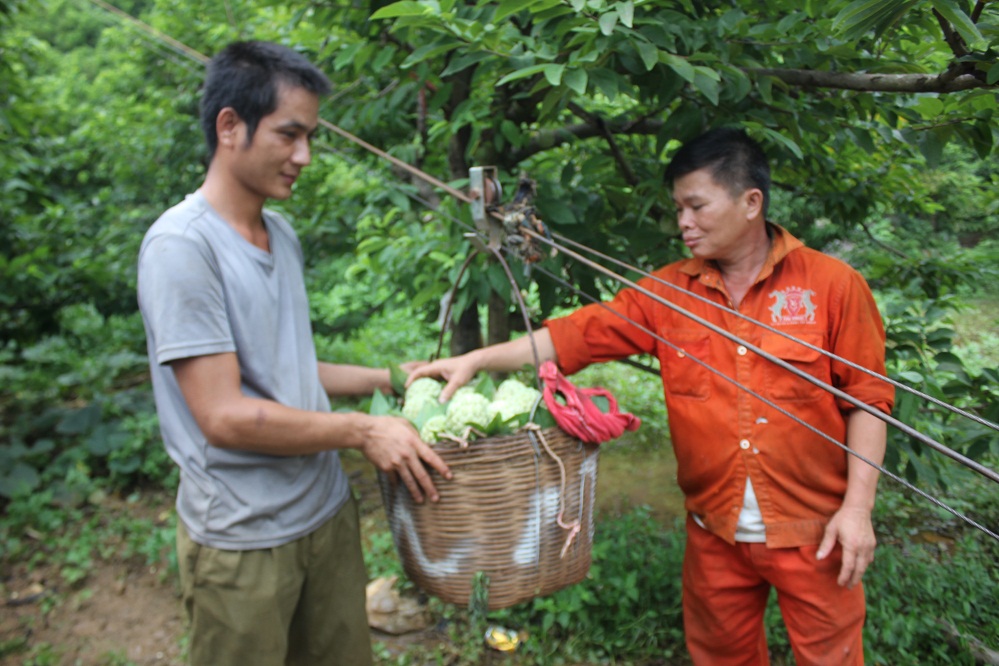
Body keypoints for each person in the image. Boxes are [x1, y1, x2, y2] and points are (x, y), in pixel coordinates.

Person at [408, 127, 895, 665]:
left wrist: (858, 509)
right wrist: (475, 359)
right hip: (716, 532)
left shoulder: (832, 286)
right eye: (677, 208)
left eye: (697, 206)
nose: (683, 223)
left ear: (751, 202)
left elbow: (868, 400)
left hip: (817, 532)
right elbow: (574, 336)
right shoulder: (668, 293)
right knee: (721, 657)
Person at [137, 40, 451, 666]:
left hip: (324, 515)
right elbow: (223, 415)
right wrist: (362, 430)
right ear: (230, 126)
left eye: (309, 136)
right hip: (243, 540)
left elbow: (281, 371)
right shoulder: (181, 248)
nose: (304, 156)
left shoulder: (278, 232)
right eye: (289, 135)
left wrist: (387, 378)